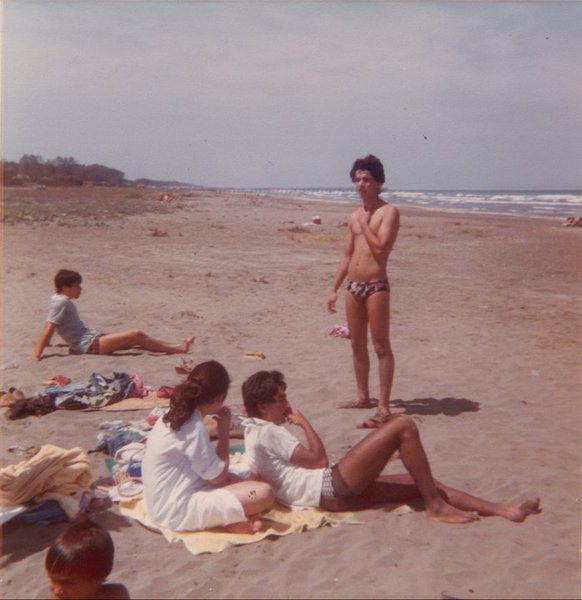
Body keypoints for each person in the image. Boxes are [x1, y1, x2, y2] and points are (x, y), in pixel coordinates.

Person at [241, 370, 541, 524]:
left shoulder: (252, 430)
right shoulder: (270, 431)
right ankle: (436, 508)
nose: (287, 404)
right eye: (281, 399)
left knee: (424, 483)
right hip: (330, 486)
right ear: (263, 407)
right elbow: (318, 460)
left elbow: (254, 467)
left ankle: (505, 510)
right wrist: (304, 421)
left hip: (330, 497)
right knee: (403, 425)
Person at [142, 360, 274, 534]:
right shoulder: (194, 426)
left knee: (246, 476)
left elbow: (212, 470)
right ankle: (230, 519)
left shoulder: (172, 415)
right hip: (176, 510)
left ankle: (232, 515)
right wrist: (224, 432)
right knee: (262, 492)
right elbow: (218, 477)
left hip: (159, 501)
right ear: (219, 398)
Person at [327, 155, 400, 427]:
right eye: (357, 180)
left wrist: (364, 224)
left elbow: (380, 248)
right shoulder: (354, 216)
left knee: (380, 346)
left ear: (379, 182)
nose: (361, 185)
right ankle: (362, 397)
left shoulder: (389, 212)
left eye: (366, 180)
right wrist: (333, 288)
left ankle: (383, 405)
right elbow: (347, 255)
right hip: (353, 286)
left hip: (376, 286)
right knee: (357, 344)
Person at [33, 269, 194, 360]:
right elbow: (49, 328)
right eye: (77, 286)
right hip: (89, 345)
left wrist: (57, 344)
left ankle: (176, 346)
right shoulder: (60, 302)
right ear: (65, 287)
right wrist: (36, 355)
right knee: (136, 335)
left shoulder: (59, 300)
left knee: (136, 340)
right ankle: (179, 348)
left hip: (91, 339)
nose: (80, 289)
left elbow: (58, 327)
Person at [45, 514, 129, 600]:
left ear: (99, 578)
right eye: (52, 580)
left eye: (68, 582)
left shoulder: (116, 594)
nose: (57, 591)